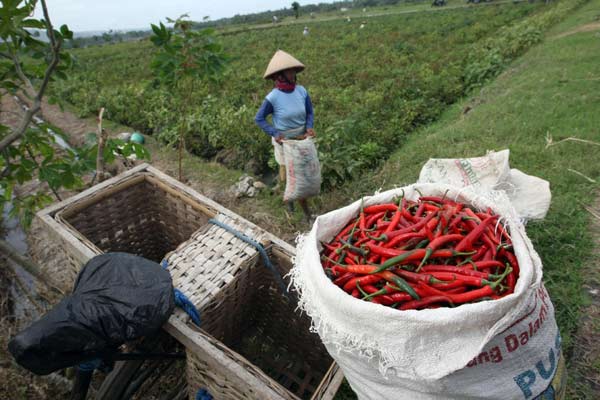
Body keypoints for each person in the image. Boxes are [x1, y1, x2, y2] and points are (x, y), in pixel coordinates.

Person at [254, 50, 316, 223]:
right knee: (288, 174)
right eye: (289, 71)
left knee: (302, 176)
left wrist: (309, 127)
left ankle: (302, 210)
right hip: (284, 143)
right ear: (280, 76)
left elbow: (310, 112)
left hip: (301, 141)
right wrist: (275, 133)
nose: (292, 74)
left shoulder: (302, 91)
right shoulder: (273, 97)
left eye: (293, 71)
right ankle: (297, 209)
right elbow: (259, 118)